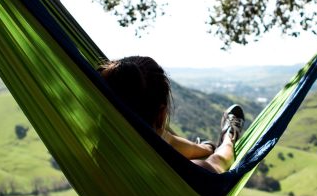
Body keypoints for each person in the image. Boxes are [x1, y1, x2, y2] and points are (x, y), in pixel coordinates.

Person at [97, 56, 245, 174]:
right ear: (161, 114)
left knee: (163, 140)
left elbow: (169, 141)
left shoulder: (92, 151)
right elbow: (221, 161)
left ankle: (206, 147)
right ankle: (229, 134)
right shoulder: (188, 175)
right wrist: (225, 143)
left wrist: (206, 148)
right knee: (220, 155)